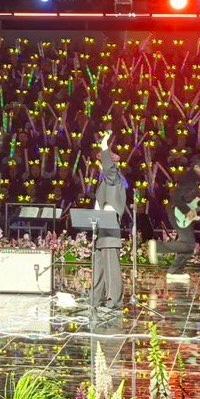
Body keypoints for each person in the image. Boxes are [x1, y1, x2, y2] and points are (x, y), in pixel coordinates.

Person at [150, 155, 200, 285]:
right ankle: (158, 247)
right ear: (196, 167)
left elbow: (191, 199)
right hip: (179, 213)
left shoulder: (195, 180)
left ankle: (175, 271)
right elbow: (177, 198)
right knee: (188, 244)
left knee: (188, 246)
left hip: (182, 213)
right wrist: (187, 211)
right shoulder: (189, 180)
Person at [90, 132, 127, 313]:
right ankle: (95, 299)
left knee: (111, 269)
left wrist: (104, 145)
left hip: (110, 230)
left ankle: (114, 300)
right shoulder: (105, 183)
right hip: (100, 230)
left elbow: (109, 169)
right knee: (99, 267)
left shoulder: (114, 179)